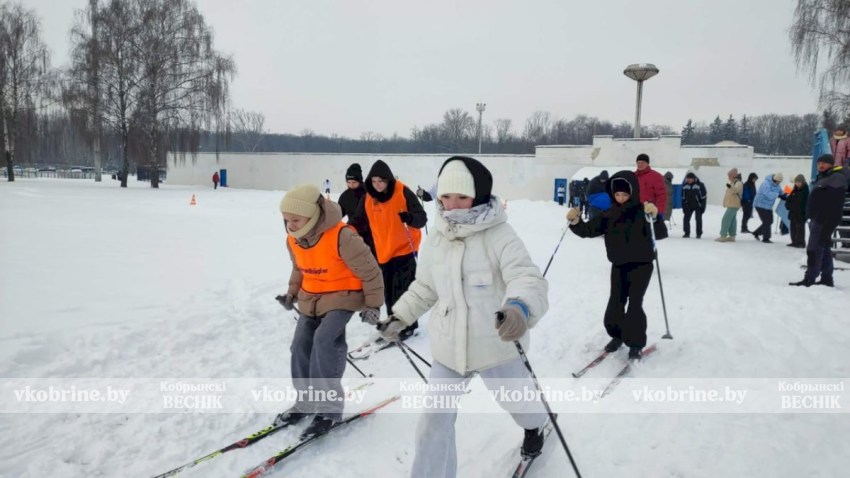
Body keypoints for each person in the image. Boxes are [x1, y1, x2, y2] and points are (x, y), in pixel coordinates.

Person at [377, 156, 549, 477]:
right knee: (433, 421)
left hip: (497, 343)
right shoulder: (438, 236)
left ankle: (536, 424)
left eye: (461, 197)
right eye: (445, 196)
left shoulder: (499, 234)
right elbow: (426, 287)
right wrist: (400, 316)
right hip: (450, 347)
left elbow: (526, 278)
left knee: (518, 402)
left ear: (478, 196)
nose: (452, 205)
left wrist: (519, 308)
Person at [273, 184, 384, 437]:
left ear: (313, 216)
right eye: (286, 220)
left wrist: (373, 305)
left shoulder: (342, 236)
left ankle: (329, 409)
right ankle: (307, 401)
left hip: (343, 296)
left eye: (296, 220)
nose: (290, 225)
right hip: (311, 298)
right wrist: (291, 294)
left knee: (324, 342)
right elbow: (299, 269)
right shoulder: (294, 239)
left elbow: (371, 272)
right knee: (300, 346)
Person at [567, 170, 656, 360]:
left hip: (642, 265)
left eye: (625, 194)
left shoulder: (642, 211)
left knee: (635, 304)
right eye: (617, 194)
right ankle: (618, 335)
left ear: (632, 193)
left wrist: (654, 215)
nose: (621, 198)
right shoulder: (609, 214)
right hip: (619, 265)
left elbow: (660, 232)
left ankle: (635, 343)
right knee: (616, 302)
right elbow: (588, 230)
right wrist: (575, 221)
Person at [351, 160, 427, 339]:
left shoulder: (403, 192)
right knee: (389, 293)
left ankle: (408, 326)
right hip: (383, 251)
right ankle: (394, 325)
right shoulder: (368, 197)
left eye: (381, 181)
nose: (377, 185)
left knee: (402, 290)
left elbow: (422, 218)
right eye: (374, 181)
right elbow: (358, 220)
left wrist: (409, 217)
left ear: (388, 180)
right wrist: (347, 232)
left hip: (405, 249)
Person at [790, 154, 848, 287]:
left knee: (814, 248)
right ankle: (827, 278)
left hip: (824, 218)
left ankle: (810, 278)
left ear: (831, 164)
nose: (821, 165)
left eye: (824, 163)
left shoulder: (836, 177)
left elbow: (832, 200)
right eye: (819, 163)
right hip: (819, 217)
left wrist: (821, 216)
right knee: (824, 247)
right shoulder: (825, 177)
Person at [635, 154, 668, 239]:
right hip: (635, 210)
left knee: (648, 236)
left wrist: (659, 211)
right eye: (638, 162)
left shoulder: (656, 176)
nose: (640, 165)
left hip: (650, 210)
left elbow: (661, 195)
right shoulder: (633, 176)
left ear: (647, 163)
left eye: (642, 163)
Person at [752, 173, 785, 243]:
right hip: (760, 204)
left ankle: (756, 232)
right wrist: (778, 195)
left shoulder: (777, 185)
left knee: (770, 221)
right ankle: (766, 238)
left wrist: (785, 195)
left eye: (780, 182)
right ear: (775, 179)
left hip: (768, 206)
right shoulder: (766, 183)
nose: (779, 183)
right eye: (778, 181)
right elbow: (767, 194)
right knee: (767, 221)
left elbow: (781, 192)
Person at [717, 168, 743, 242]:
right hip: (732, 204)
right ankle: (732, 236)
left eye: (729, 176)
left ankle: (723, 236)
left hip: (734, 205)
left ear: (733, 176)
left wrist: (730, 186)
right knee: (732, 220)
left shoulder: (738, 182)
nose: (728, 177)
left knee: (725, 219)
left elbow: (736, 190)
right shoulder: (733, 182)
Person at [785, 174, 809, 248]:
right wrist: (788, 205)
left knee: (800, 229)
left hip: (801, 213)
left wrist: (804, 213)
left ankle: (801, 243)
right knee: (793, 228)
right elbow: (788, 199)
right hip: (793, 212)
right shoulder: (794, 190)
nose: (798, 184)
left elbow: (805, 203)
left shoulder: (805, 191)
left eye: (799, 182)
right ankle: (794, 242)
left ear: (803, 182)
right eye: (796, 182)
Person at [681, 172, 707, 238]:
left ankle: (699, 233)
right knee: (686, 219)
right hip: (688, 205)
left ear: (694, 179)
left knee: (698, 219)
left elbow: (704, 197)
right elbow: (683, 197)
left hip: (698, 205)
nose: (689, 180)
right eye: (687, 179)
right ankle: (686, 233)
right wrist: (684, 206)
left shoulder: (700, 185)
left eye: (690, 179)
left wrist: (702, 206)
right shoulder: (685, 186)